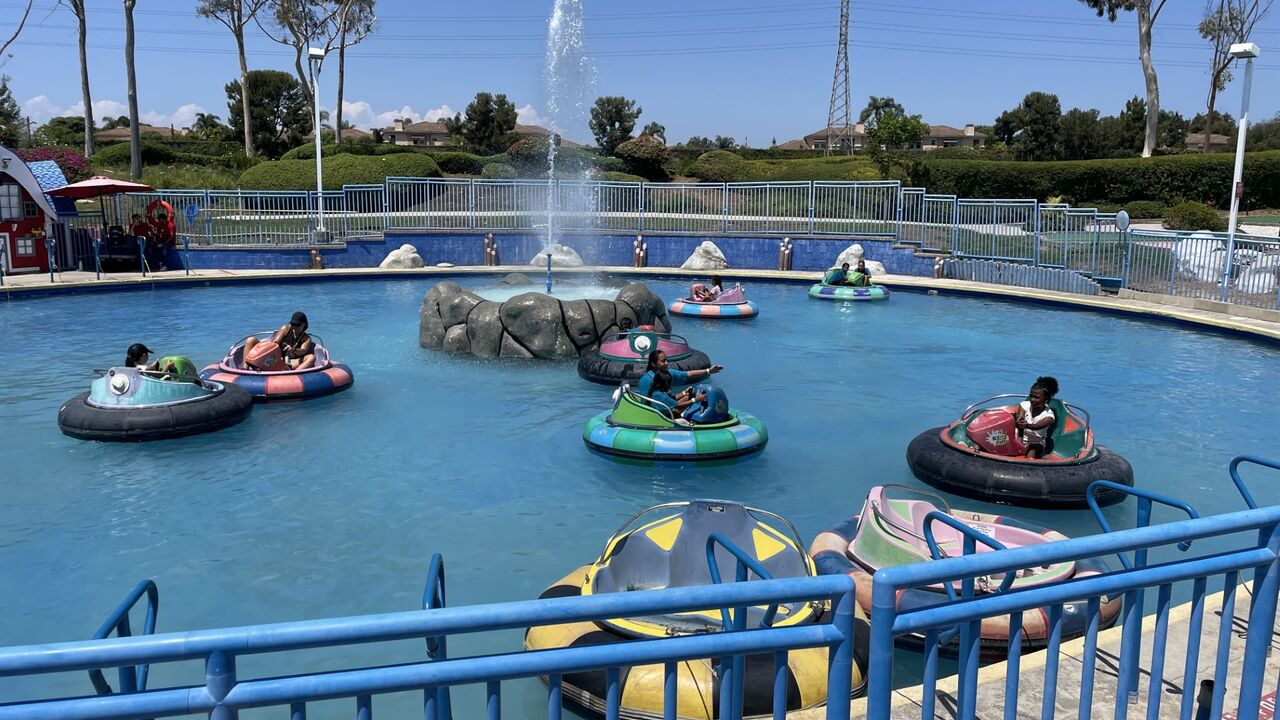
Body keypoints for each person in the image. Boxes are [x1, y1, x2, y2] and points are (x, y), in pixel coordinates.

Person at [636, 350, 722, 417]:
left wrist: (708, 371)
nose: (667, 363)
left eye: (666, 360)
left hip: (666, 405)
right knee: (677, 410)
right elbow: (648, 403)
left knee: (689, 395)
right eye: (663, 361)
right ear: (654, 364)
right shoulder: (646, 380)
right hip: (657, 412)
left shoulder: (668, 372)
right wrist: (695, 400)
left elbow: (688, 374)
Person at [244, 311, 316, 370]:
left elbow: (302, 351)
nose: (294, 327)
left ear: (304, 324)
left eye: (297, 325)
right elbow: (275, 343)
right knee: (251, 340)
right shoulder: (286, 328)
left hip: (291, 361)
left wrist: (293, 350)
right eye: (293, 324)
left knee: (311, 357)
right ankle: (245, 368)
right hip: (275, 358)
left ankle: (294, 374)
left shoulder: (306, 338)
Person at [1014, 377, 1058, 458]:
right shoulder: (1024, 405)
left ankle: (1027, 465)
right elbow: (1019, 422)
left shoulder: (1049, 416)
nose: (1032, 399)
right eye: (1031, 396)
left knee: (1032, 448)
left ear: (1046, 399)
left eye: (1036, 397)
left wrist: (1026, 425)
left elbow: (1037, 426)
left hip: (1036, 443)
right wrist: (1018, 421)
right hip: (1018, 439)